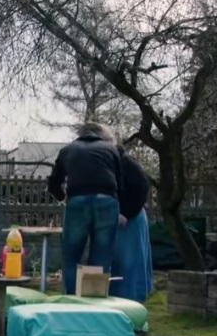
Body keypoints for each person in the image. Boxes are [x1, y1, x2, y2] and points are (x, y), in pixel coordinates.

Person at [47, 122, 125, 295]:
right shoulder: (111, 150)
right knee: (102, 256)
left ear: (80, 134)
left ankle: (72, 301)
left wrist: (63, 198)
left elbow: (53, 183)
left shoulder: (68, 150)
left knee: (72, 256)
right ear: (100, 135)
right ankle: (95, 300)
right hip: (106, 201)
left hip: (77, 201)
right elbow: (120, 183)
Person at [111, 145, 154, 303]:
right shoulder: (111, 163)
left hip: (130, 219)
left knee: (130, 264)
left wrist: (126, 213)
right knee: (118, 263)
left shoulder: (126, 163)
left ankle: (133, 302)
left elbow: (141, 188)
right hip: (118, 218)